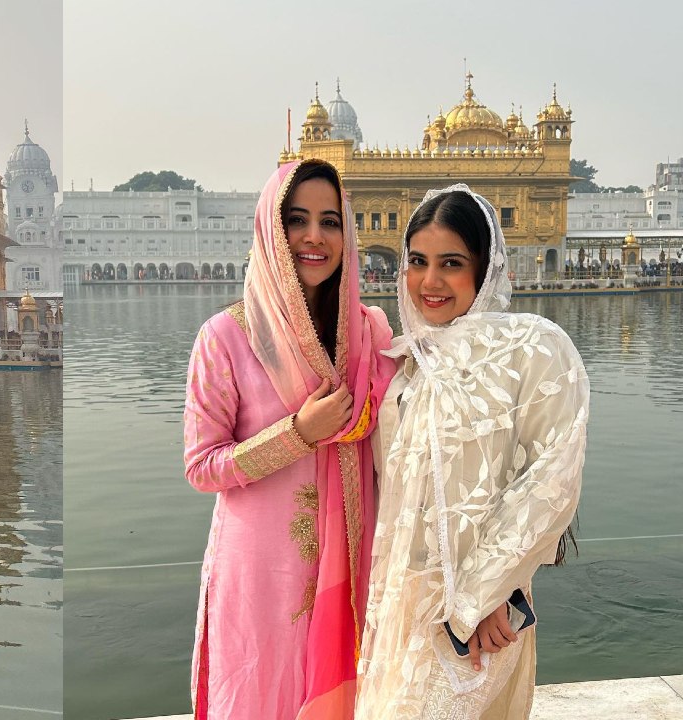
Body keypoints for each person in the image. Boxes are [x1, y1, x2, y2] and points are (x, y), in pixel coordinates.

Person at [356, 186, 587, 718]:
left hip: (483, 618)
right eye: (418, 262)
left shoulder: (530, 349)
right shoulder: (405, 364)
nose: (430, 281)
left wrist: (481, 601)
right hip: (405, 604)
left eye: (451, 263)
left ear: (483, 271)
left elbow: (549, 481)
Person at [183, 159, 395, 718]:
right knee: (262, 692)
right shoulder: (226, 338)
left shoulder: (369, 334)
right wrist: (298, 434)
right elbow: (202, 466)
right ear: (271, 231)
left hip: (350, 558)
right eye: (297, 220)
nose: (314, 237)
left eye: (331, 221)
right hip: (261, 573)